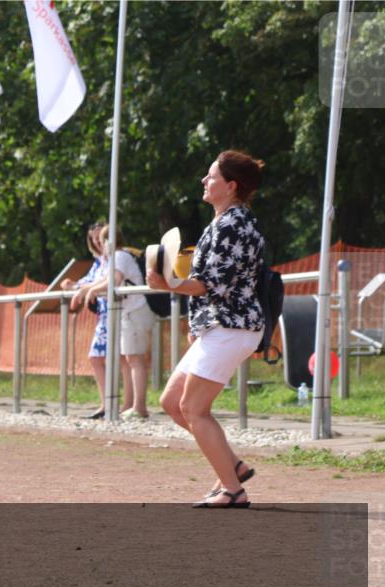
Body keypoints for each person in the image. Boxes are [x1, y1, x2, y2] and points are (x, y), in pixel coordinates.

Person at [147, 150, 266, 508]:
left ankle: (233, 490)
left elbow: (208, 284)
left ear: (231, 186)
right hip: (221, 326)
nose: (204, 180)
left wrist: (166, 284)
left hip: (233, 327)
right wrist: (196, 323)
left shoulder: (233, 225)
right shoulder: (226, 221)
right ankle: (234, 466)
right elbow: (210, 285)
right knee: (172, 402)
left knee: (193, 408)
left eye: (211, 176)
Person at [82, 226, 156, 419]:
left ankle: (139, 407)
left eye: (104, 240)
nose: (101, 245)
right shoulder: (115, 258)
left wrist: (91, 290)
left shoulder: (121, 257)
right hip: (127, 313)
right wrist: (90, 289)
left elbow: (114, 280)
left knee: (134, 359)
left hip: (134, 311)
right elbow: (105, 280)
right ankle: (131, 405)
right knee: (128, 359)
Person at [67, 221, 110, 419]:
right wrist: (74, 285)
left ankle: (117, 403)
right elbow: (88, 282)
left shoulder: (115, 258)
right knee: (98, 358)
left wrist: (83, 288)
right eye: (95, 240)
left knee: (117, 359)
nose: (98, 243)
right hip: (104, 314)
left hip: (114, 313)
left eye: (101, 238)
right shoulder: (99, 262)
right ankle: (107, 402)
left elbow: (98, 282)